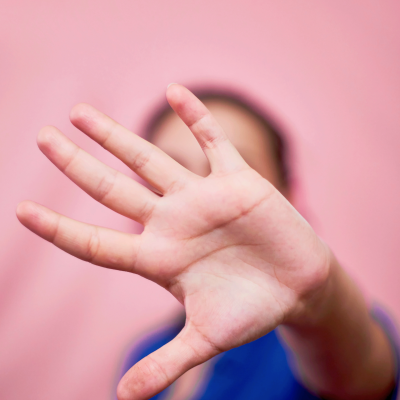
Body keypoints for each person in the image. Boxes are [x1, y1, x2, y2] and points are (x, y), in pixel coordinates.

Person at [16, 84, 399, 400]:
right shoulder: (147, 354)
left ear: (290, 196)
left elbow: (361, 376)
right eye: (173, 175)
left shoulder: (322, 337)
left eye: (236, 172)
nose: (201, 200)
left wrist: (319, 299)